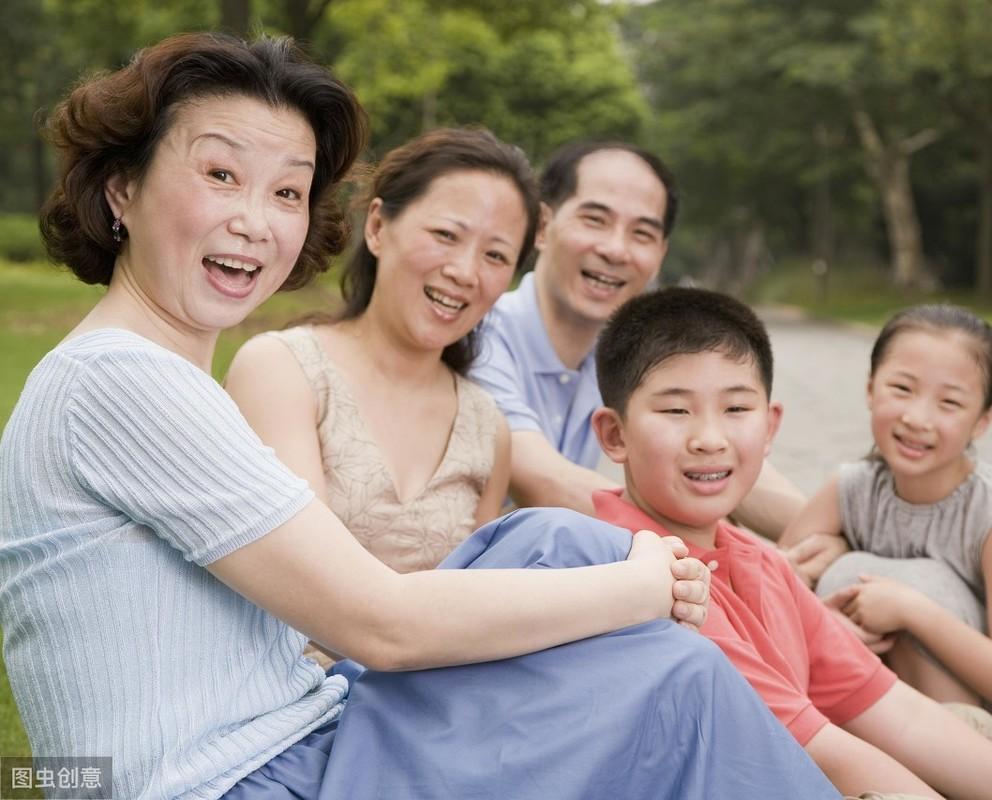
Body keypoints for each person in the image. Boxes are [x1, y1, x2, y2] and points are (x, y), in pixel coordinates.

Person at [0, 33, 840, 799]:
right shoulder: (118, 381)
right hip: (237, 779)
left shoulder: (154, 375)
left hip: (310, 732)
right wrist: (646, 584)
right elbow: (381, 623)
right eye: (220, 175)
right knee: (672, 677)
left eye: (288, 192)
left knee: (559, 546)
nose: (255, 222)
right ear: (122, 189)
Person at [589, 287, 992, 799]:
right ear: (614, 434)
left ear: (770, 425)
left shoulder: (761, 565)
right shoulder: (640, 573)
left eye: (736, 408)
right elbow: (818, 747)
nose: (710, 438)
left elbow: (902, 715)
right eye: (676, 411)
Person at [225, 128, 526, 666]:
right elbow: (303, 585)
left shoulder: (487, 425)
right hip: (289, 706)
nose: (464, 271)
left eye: (496, 255)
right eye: (446, 235)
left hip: (437, 702)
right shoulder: (283, 369)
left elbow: (485, 606)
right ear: (379, 226)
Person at [784, 304, 992, 785]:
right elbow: (777, 586)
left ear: (983, 421)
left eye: (949, 403)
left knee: (903, 583)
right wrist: (830, 568)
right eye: (901, 388)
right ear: (869, 389)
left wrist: (910, 609)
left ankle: (942, 773)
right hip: (902, 710)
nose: (918, 417)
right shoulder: (851, 487)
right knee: (836, 574)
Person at [469, 140, 806, 537]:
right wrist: (732, 552)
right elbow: (541, 479)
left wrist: (828, 538)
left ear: (661, 252)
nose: (616, 250)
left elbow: (722, 455)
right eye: (595, 220)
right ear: (542, 225)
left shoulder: (635, 348)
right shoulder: (481, 336)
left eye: (642, 234)